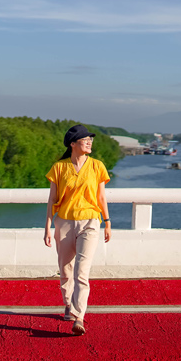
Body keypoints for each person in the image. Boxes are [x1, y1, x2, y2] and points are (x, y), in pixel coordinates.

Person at [44, 124, 111, 336]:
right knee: (65, 270)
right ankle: (68, 303)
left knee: (82, 271)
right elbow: (52, 200)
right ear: (73, 144)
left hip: (90, 222)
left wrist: (107, 221)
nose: (90, 142)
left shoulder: (97, 166)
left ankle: (79, 316)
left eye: (91, 139)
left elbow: (101, 197)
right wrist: (47, 227)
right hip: (64, 223)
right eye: (85, 139)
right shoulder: (59, 167)